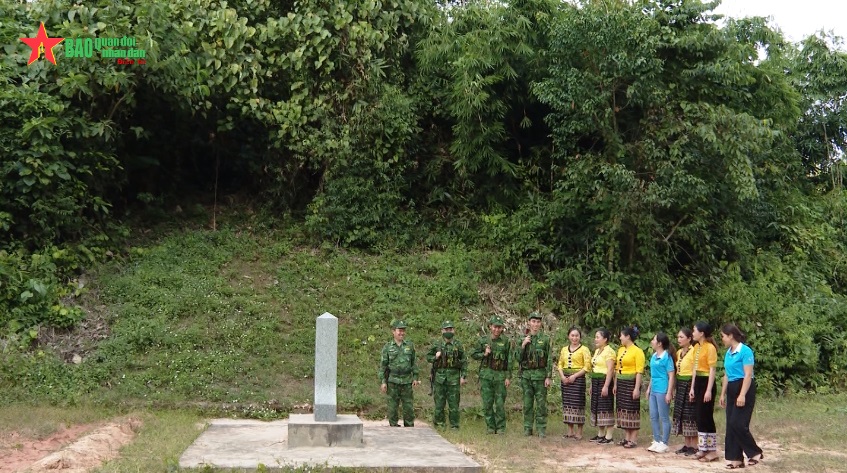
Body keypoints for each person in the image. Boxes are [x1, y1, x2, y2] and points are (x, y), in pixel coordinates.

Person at [720, 324, 764, 469]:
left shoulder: (745, 351)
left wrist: (742, 394)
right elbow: (726, 375)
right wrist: (722, 393)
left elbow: (748, 375)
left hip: (744, 387)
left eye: (723, 336)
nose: (722, 339)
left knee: (738, 423)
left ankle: (755, 452)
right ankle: (736, 458)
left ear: (730, 336)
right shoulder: (728, 353)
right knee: (730, 424)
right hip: (732, 387)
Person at [471, 315, 514, 434]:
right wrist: (484, 354)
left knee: (500, 404)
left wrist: (508, 377)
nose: (497, 329)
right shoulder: (483, 341)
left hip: (500, 376)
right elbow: (473, 354)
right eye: (495, 327)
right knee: (487, 403)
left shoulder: (506, 342)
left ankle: (500, 428)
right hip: (486, 376)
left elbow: (509, 360)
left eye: (499, 327)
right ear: (490, 327)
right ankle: (490, 427)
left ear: (502, 328)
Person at [426, 320, 468, 430]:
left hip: (454, 379)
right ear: (442, 331)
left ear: (454, 330)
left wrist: (463, 376)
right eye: (446, 329)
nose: (448, 331)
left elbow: (464, 361)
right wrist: (435, 357)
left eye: (450, 329)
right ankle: (440, 425)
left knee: (454, 405)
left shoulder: (458, 345)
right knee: (439, 404)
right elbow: (428, 357)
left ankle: (454, 426)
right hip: (439, 379)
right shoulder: (437, 344)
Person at [379, 320, 420, 427]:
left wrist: (415, 377)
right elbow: (383, 366)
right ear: (393, 331)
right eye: (399, 331)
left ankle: (409, 427)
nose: (402, 333)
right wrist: (383, 382)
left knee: (408, 407)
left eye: (403, 331)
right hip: (393, 380)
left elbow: (414, 363)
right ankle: (393, 427)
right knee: (392, 407)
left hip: (407, 381)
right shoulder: (388, 347)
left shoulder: (410, 346)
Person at [689, 321, 719, 462]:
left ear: (701, 333)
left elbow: (712, 369)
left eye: (694, 330)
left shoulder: (710, 348)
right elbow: (695, 369)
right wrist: (692, 387)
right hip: (698, 382)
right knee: (699, 416)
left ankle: (712, 450)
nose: (693, 333)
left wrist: (708, 390)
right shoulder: (696, 347)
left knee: (706, 416)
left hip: (707, 382)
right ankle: (703, 448)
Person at [518, 312, 552, 437]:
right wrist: (523, 345)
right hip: (526, 376)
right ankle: (528, 428)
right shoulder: (522, 339)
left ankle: (541, 428)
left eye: (538, 322)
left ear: (540, 324)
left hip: (540, 376)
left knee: (541, 404)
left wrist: (548, 376)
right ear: (529, 322)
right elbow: (517, 358)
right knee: (527, 404)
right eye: (533, 321)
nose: (535, 324)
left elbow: (549, 358)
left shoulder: (546, 339)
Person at [557, 326, 591, 440]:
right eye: (572, 335)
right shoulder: (564, 349)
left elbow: (587, 366)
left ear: (580, 337)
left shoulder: (584, 349)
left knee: (578, 403)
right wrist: (562, 376)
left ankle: (579, 431)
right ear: (568, 336)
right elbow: (560, 364)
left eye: (577, 336)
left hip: (578, 379)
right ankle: (570, 431)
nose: (574, 338)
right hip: (565, 379)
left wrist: (575, 376)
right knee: (567, 403)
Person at [614, 325, 645, 448]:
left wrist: (636, 388)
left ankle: (633, 438)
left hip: (631, 382)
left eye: (622, 335)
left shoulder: (637, 351)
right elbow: (617, 368)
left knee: (632, 409)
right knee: (623, 409)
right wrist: (615, 384)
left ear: (627, 337)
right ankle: (626, 437)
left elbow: (639, 371)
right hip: (621, 381)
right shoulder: (621, 350)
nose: (620, 338)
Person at [646, 332, 676, 453]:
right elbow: (652, 374)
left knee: (664, 416)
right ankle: (657, 440)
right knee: (653, 415)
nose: (652, 342)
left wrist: (669, 392)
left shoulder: (667, 357)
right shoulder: (654, 356)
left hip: (662, 389)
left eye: (654, 340)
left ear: (659, 343)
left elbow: (671, 376)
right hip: (654, 389)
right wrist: (649, 388)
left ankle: (664, 442)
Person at [672, 328, 698, 455]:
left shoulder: (694, 351)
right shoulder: (678, 352)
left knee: (690, 414)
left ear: (689, 339)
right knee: (682, 413)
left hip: (689, 383)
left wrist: (692, 387)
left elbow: (694, 370)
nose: (679, 339)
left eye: (681, 337)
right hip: (680, 383)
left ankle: (694, 445)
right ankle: (687, 444)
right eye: (678, 337)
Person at [589, 328, 616, 444]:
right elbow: (594, 368)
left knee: (606, 407)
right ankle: (600, 434)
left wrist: (606, 386)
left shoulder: (609, 351)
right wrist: (591, 385)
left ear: (605, 339)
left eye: (598, 337)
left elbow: (610, 370)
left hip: (605, 380)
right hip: (596, 380)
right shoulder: (597, 351)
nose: (595, 339)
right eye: (595, 337)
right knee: (597, 407)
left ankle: (609, 436)